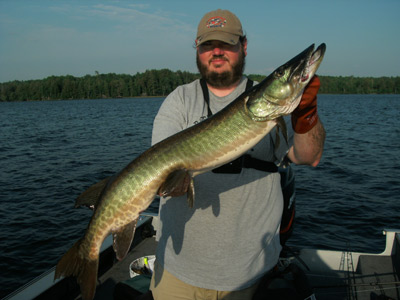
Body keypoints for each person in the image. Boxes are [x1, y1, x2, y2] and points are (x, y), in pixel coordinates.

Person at [149, 9, 325, 300]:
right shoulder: (179, 101)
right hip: (179, 274)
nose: (217, 52)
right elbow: (163, 178)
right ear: (198, 49)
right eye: (208, 45)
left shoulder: (270, 105)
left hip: (251, 274)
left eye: (227, 44)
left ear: (243, 46)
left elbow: (309, 156)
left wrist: (306, 114)